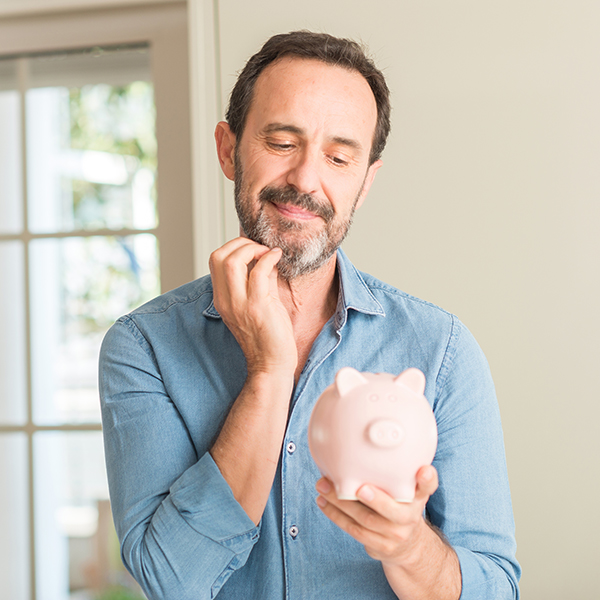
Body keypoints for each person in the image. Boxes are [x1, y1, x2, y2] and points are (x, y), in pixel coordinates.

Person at [99, 31, 520, 600]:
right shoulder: (143, 347)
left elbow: (498, 589)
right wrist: (269, 374)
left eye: (339, 156)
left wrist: (408, 547)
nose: (304, 179)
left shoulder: (440, 351)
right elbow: (171, 582)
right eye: (280, 141)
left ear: (365, 181)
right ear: (228, 149)